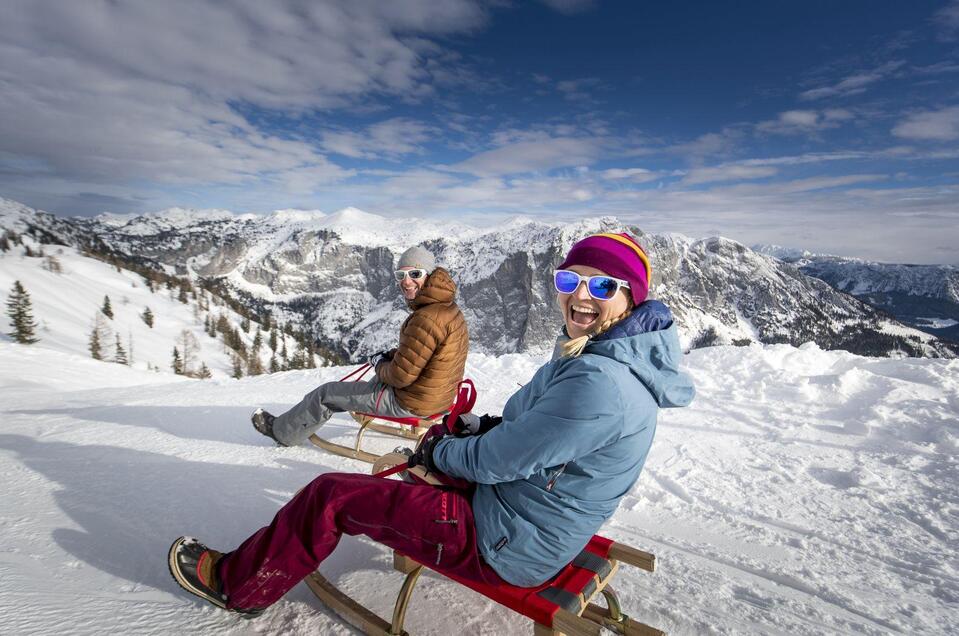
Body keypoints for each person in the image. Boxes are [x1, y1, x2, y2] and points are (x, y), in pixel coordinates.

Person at [169, 232, 695, 613]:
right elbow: (525, 430)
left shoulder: (599, 382)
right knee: (425, 458)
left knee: (330, 495)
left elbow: (497, 460)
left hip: (506, 543)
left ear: (631, 298)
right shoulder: (595, 356)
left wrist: (436, 452)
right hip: (523, 514)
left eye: (602, 287)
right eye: (569, 280)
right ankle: (407, 518)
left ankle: (237, 585)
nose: (580, 296)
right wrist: (473, 430)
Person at [251, 245, 469, 447]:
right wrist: (391, 356)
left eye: (414, 274)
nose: (406, 281)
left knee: (326, 394)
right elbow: (428, 355)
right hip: (439, 399)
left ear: (429, 275)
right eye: (401, 275)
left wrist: (379, 364)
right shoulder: (448, 309)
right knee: (373, 382)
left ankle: (281, 433)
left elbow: (400, 377)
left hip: (413, 402)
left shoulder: (426, 319)